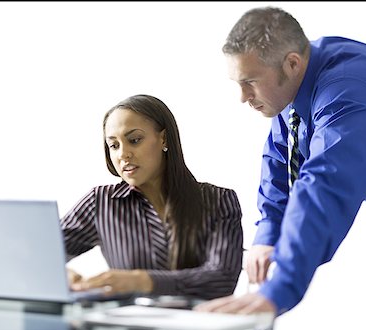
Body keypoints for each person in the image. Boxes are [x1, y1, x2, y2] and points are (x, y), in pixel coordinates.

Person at [194, 5, 366, 329]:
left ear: (291, 63)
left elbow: (324, 187)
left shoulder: (348, 94)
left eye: (250, 82)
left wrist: (279, 290)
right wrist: (268, 234)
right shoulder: (297, 80)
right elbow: (280, 157)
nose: (242, 97)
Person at [60, 94, 244, 300]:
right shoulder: (100, 202)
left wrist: (142, 281)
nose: (123, 154)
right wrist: (64, 276)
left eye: (134, 140)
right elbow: (35, 255)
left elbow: (222, 279)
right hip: (131, 328)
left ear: (163, 138)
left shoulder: (218, 200)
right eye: (114, 145)